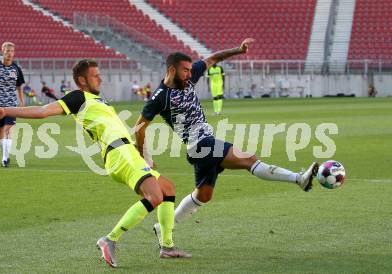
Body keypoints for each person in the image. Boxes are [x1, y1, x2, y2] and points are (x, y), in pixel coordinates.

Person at [0, 59, 191, 268]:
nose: (100, 78)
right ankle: (109, 240)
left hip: (128, 152)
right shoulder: (78, 97)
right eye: (95, 75)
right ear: (82, 80)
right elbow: (43, 110)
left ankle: (167, 247)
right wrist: (6, 110)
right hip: (118, 153)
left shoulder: (99, 100)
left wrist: (142, 154)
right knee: (154, 196)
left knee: (167, 188)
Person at [134, 38, 319, 245]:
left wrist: (238, 51)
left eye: (189, 70)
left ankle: (164, 227)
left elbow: (213, 58)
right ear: (171, 70)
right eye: (185, 70)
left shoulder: (189, 77)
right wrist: (143, 154)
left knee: (203, 196)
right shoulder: (160, 96)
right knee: (249, 159)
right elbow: (140, 126)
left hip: (202, 147)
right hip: (200, 145)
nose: (189, 74)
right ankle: (298, 179)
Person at [0, 42, 25, 167]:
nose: (9, 53)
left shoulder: (16, 69)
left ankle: (4, 158)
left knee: (8, 129)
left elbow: (19, 87)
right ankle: (5, 154)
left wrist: (22, 101)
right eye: (7, 51)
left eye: (11, 51)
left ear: (14, 53)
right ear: (2, 51)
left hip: (11, 105)